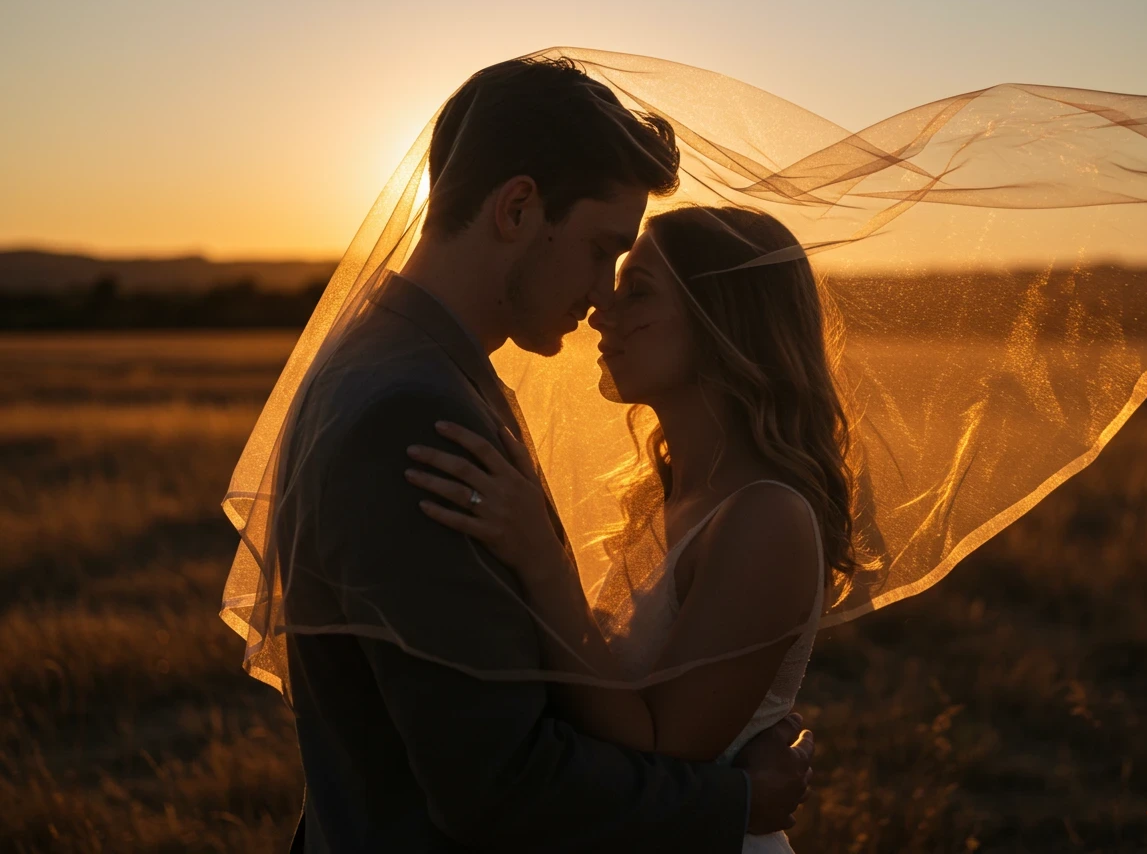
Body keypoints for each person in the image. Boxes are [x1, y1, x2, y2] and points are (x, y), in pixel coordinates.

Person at [273, 58, 814, 852]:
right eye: (602, 251)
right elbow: (497, 786)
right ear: (518, 209)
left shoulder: (404, 367)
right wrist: (731, 799)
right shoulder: (414, 411)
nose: (603, 297)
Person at [405, 205, 884, 853]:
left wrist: (540, 560)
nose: (602, 309)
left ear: (722, 319)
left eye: (639, 290)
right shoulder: (669, 492)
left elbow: (664, 748)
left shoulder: (765, 516)